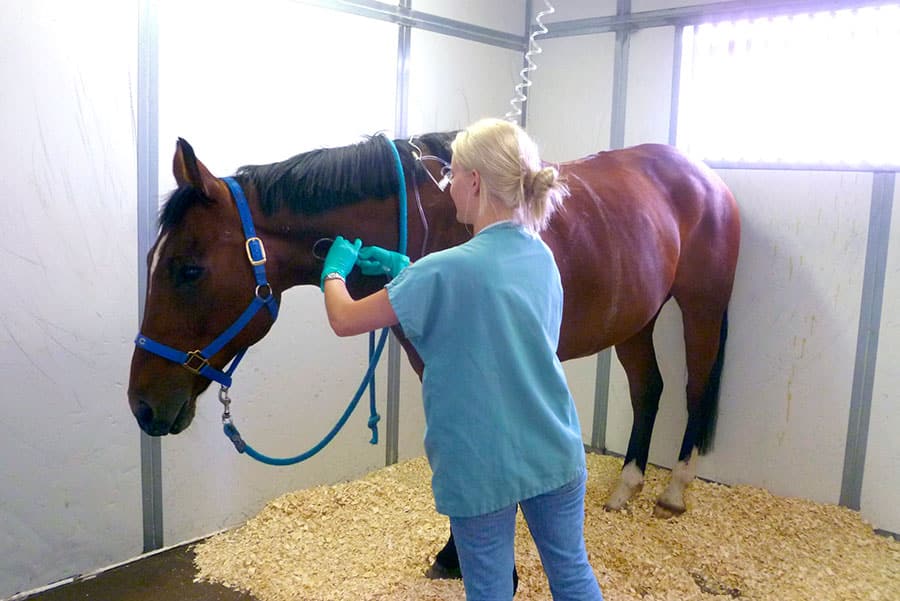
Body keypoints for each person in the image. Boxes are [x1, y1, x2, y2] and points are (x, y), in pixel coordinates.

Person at [320, 118, 603, 601]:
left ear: (474, 180)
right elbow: (502, 322)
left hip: (479, 464)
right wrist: (406, 271)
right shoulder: (540, 256)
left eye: (452, 177)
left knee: (489, 590)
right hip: (554, 446)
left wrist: (334, 272)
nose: (449, 188)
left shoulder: (442, 271)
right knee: (572, 574)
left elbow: (345, 319)